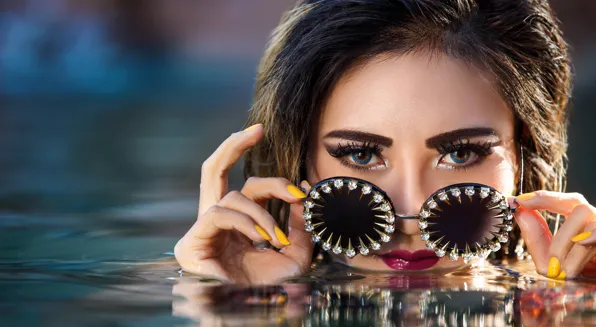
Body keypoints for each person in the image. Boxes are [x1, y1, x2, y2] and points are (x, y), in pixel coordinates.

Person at [174, 0, 596, 284]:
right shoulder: (237, 297)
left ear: (524, 156)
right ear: (297, 165)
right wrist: (222, 305)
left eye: (460, 153)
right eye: (361, 154)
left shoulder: (566, 299)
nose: (407, 213)